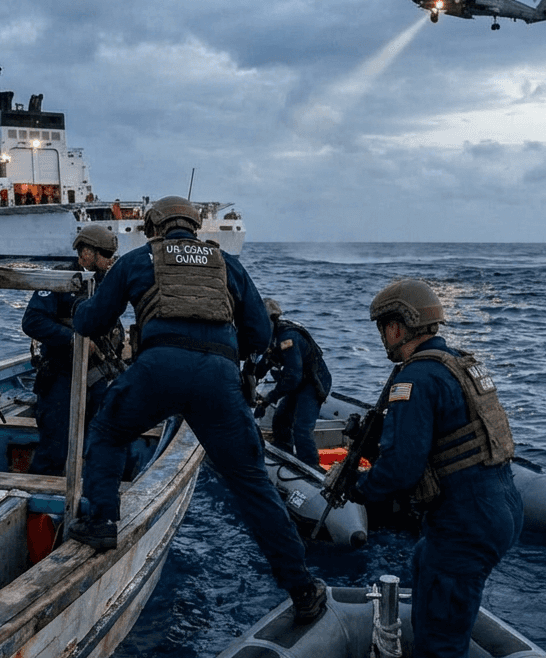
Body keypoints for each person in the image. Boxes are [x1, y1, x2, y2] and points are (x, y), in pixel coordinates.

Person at [67, 196, 326, 623]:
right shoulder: (227, 264)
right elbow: (259, 334)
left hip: (157, 369)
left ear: (154, 228)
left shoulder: (138, 260)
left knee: (109, 432)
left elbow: (91, 322)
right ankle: (302, 588)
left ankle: (102, 522)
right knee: (251, 483)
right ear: (194, 226)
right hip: (218, 379)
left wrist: (79, 308)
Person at [351, 279, 523, 658]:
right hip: (500, 506)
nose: (384, 338)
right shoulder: (459, 364)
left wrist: (359, 488)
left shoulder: (415, 379)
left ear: (399, 326)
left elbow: (402, 469)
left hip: (466, 522)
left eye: (384, 327)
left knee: (443, 652)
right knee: (423, 562)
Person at [22, 224, 122, 475]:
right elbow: (32, 321)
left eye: (113, 255)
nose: (111, 260)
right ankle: (42, 494)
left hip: (97, 377)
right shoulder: (60, 279)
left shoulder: (105, 282)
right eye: (106, 255)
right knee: (55, 449)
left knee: (97, 443)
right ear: (87, 253)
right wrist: (73, 339)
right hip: (61, 377)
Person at [254, 298, 332, 466]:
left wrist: (269, 398)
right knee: (280, 420)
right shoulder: (272, 337)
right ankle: (285, 455)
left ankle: (310, 467)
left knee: (302, 429)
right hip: (298, 382)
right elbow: (264, 363)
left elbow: (292, 377)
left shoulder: (287, 338)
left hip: (313, 383)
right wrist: (251, 379)